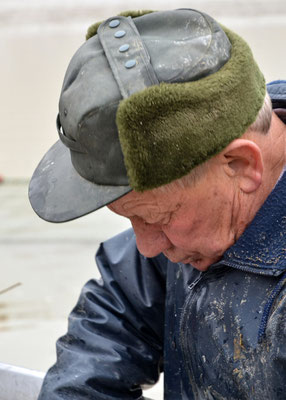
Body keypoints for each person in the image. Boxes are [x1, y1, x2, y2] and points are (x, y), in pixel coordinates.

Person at [29, 8, 286, 400]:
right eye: (132, 217)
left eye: (158, 216)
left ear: (241, 165)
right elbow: (115, 317)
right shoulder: (190, 222)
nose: (147, 247)